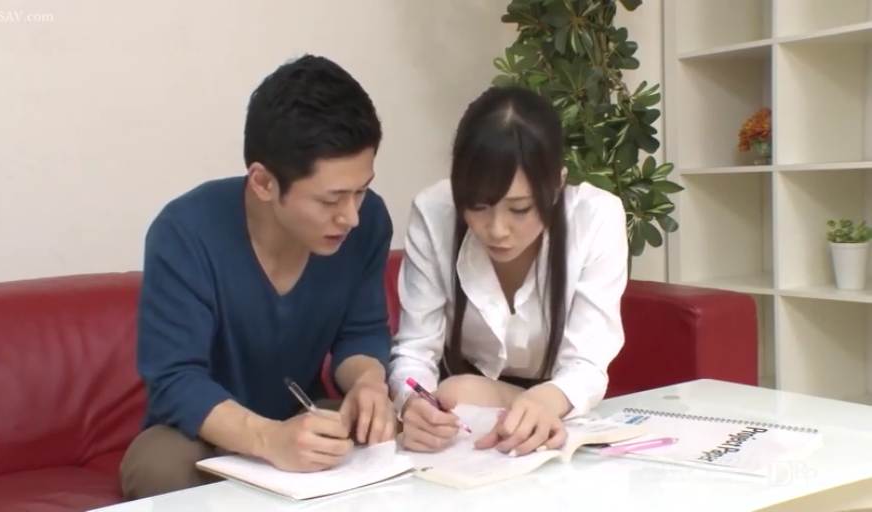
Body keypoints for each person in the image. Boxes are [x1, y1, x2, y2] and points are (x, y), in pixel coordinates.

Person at [119, 55, 396, 500]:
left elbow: (361, 333)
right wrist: (268, 439)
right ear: (264, 182)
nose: (351, 217)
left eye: (361, 190)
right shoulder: (184, 232)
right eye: (330, 200)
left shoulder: (368, 224)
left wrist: (368, 383)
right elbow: (175, 379)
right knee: (157, 468)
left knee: (380, 432)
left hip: (302, 416)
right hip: (201, 433)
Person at [389, 85, 628, 458]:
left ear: (557, 184)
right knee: (456, 392)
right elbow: (414, 350)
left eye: (519, 209)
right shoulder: (435, 211)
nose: (497, 230)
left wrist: (545, 402)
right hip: (462, 408)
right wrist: (414, 404)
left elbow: (587, 363)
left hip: (555, 398)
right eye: (477, 205)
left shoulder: (595, 217)